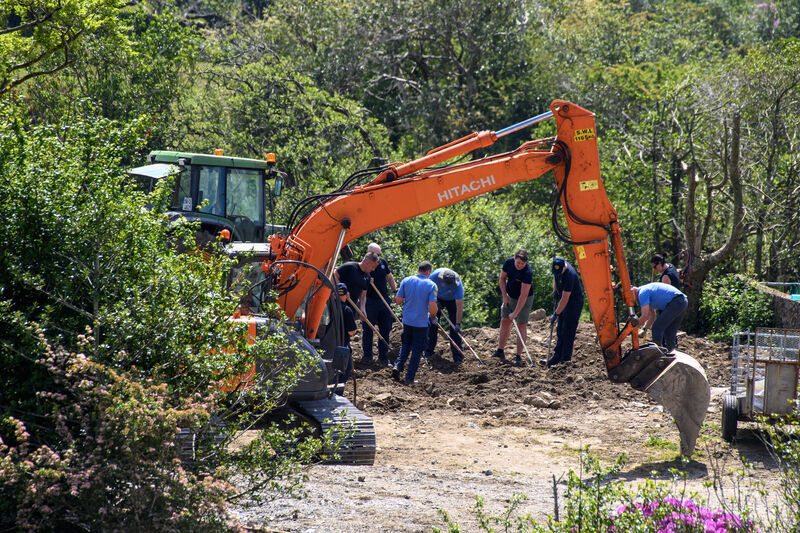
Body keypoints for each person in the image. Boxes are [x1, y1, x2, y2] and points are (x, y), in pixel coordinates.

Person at [393, 261, 438, 385]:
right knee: (417, 350)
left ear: (419, 269)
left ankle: (398, 365)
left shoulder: (406, 280)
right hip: (421, 323)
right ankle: (409, 378)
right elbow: (432, 306)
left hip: (407, 320)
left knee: (406, 344)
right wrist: (433, 317)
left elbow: (398, 300)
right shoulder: (432, 285)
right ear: (428, 271)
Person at [542, 257, 584, 367]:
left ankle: (565, 360)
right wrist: (555, 290)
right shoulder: (558, 268)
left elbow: (565, 298)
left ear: (564, 267)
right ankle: (557, 355)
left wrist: (556, 313)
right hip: (564, 300)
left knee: (568, 331)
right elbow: (555, 278)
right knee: (560, 328)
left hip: (573, 303)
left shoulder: (570, 275)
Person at [494, 249, 533, 366]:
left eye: (522, 264)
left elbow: (523, 295)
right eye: (518, 263)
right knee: (505, 321)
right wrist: (504, 296)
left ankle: (518, 356)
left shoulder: (527, 273)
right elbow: (502, 278)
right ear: (514, 258)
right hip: (510, 296)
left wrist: (515, 313)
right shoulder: (508, 263)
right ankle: (500, 351)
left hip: (524, 300)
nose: (520, 265)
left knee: (521, 325)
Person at [363, 243, 397, 366]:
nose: (378, 257)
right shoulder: (363, 266)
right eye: (375, 255)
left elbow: (389, 276)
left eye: (379, 254)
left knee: (385, 329)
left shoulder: (382, 263)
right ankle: (367, 357)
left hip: (383, 300)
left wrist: (395, 291)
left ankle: (383, 358)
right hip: (369, 301)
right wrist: (366, 279)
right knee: (368, 330)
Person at [425, 267, 464, 363]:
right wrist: (433, 301)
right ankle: (428, 352)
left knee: (455, 329)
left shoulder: (458, 285)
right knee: (432, 324)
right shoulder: (434, 277)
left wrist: (458, 324)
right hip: (436, 298)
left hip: (452, 300)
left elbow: (459, 306)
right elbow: (426, 292)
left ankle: (457, 356)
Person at [632, 282, 688, 350]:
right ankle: (672, 352)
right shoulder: (645, 291)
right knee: (669, 331)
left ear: (632, 291)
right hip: (682, 301)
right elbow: (652, 315)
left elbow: (644, 316)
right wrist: (644, 329)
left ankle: (658, 353)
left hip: (676, 301)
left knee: (657, 327)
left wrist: (633, 328)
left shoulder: (642, 293)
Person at [335, 251, 380, 318]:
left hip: (352, 307)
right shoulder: (350, 267)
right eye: (373, 267)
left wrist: (362, 309)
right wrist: (341, 289)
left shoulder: (367, 277)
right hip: (338, 304)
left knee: (350, 327)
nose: (373, 270)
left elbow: (363, 295)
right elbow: (334, 275)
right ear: (368, 263)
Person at [335, 283, 357, 383]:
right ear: (347, 295)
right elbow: (351, 332)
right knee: (344, 371)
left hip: (327, 344)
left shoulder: (326, 307)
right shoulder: (347, 310)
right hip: (342, 345)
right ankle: (337, 393)